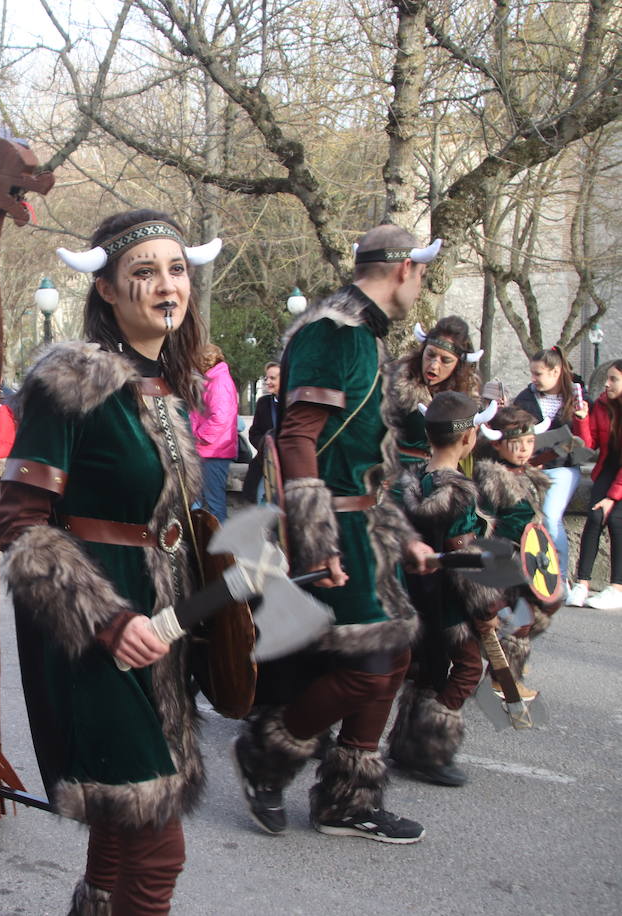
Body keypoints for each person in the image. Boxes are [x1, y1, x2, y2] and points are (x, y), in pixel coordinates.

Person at [0, 209, 221, 913]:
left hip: (163, 634)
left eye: (177, 269)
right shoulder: (70, 381)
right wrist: (106, 619)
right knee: (158, 845)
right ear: (107, 290)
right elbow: (21, 526)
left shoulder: (164, 388)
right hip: (93, 637)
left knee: (126, 828)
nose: (166, 285)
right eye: (145, 272)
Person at [233, 224, 437, 845]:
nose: (420, 283)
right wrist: (316, 540)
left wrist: (404, 536)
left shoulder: (365, 334)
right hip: (337, 527)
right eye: (420, 272)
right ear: (403, 269)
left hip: (366, 523)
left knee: (393, 654)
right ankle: (268, 754)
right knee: (370, 668)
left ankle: (349, 801)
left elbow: (364, 456)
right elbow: (295, 436)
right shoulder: (335, 331)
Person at [385, 392, 501, 787]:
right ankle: (430, 749)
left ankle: (404, 745)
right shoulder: (459, 492)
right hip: (449, 599)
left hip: (413, 591)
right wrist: (487, 606)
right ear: (469, 438)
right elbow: (464, 558)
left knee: (428, 672)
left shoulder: (409, 480)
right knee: (468, 668)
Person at [474, 406, 553, 679]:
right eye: (515, 443)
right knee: (517, 620)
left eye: (529, 442)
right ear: (497, 444)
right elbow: (483, 524)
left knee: (540, 609)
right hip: (504, 561)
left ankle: (502, 665)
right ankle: (503, 677)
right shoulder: (492, 478)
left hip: (529, 560)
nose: (523, 449)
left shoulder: (529, 475)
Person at [513, 347, 586, 582]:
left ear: (555, 372)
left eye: (538, 374)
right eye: (532, 373)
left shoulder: (577, 398)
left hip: (563, 466)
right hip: (530, 466)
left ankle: (560, 577)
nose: (533, 379)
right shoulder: (526, 398)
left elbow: (584, 439)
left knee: (550, 516)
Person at [382, 316, 481, 468]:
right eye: (430, 355)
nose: (434, 365)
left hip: (443, 474)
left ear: (458, 365)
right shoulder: (392, 384)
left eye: (445, 360)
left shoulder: (468, 395)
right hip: (396, 473)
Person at [569, 360, 622, 609]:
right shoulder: (601, 404)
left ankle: (617, 587)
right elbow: (589, 445)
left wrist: (612, 497)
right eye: (607, 379)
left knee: (615, 519)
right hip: (608, 468)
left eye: (614, 379)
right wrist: (581, 418)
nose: (607, 384)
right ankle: (582, 584)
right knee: (594, 517)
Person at [189, 343, 238, 520]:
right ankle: (202, 543)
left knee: (214, 503)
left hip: (214, 451)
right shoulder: (214, 379)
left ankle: (220, 546)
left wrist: (197, 436)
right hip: (209, 450)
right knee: (200, 501)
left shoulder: (219, 382)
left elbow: (220, 418)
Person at [241, 362, 281, 503]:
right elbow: (254, 433)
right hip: (264, 464)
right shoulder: (263, 402)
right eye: (267, 378)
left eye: (273, 378)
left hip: (286, 468)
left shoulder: (294, 403)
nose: (268, 382)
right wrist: (265, 444)